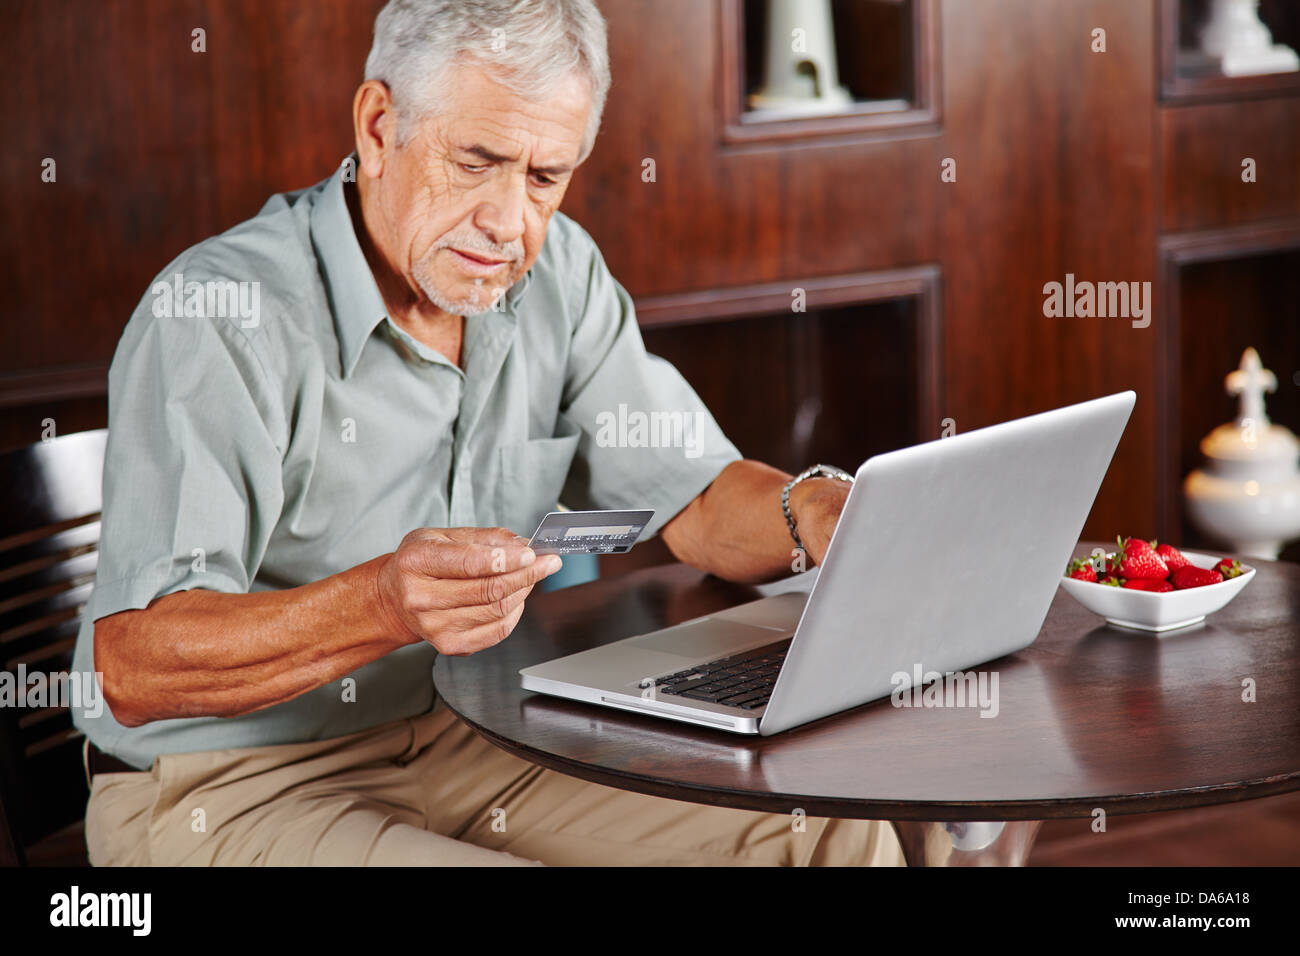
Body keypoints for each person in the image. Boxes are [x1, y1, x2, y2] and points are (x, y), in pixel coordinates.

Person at [73, 0, 904, 867]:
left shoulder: (560, 276)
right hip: (224, 784)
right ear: (380, 125)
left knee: (832, 831)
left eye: (545, 177)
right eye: (476, 161)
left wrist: (811, 508)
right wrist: (384, 602)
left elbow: (691, 495)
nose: (509, 224)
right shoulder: (221, 316)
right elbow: (134, 666)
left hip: (468, 738)